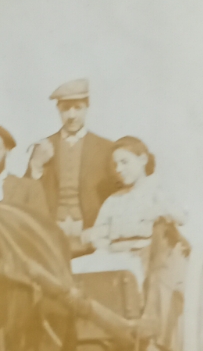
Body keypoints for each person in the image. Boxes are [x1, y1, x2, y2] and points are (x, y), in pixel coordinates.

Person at [26, 78, 116, 251]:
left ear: (87, 107)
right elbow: (26, 193)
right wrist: (36, 166)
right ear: (58, 109)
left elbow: (117, 192)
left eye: (78, 108)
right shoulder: (43, 147)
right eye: (66, 109)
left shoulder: (105, 148)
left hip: (90, 229)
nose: (72, 115)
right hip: (53, 229)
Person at [84, 135, 183, 280]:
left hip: (147, 260)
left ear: (142, 159)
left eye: (124, 162)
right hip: (115, 257)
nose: (119, 169)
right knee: (80, 269)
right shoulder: (114, 200)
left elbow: (181, 216)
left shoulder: (157, 191)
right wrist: (98, 239)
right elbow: (100, 233)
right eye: (116, 164)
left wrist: (159, 212)